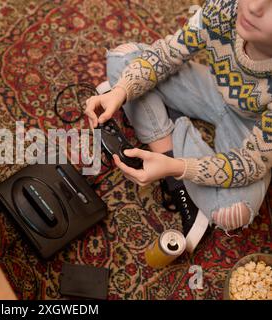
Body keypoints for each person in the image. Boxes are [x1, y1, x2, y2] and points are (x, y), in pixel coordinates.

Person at [85, 0, 272, 252]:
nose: (254, 7)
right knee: (123, 57)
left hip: (250, 127)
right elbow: (165, 55)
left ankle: (167, 139)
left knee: (233, 213)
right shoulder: (227, 7)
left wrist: (177, 167)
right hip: (213, 90)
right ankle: (170, 156)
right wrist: (120, 92)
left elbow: (250, 163)